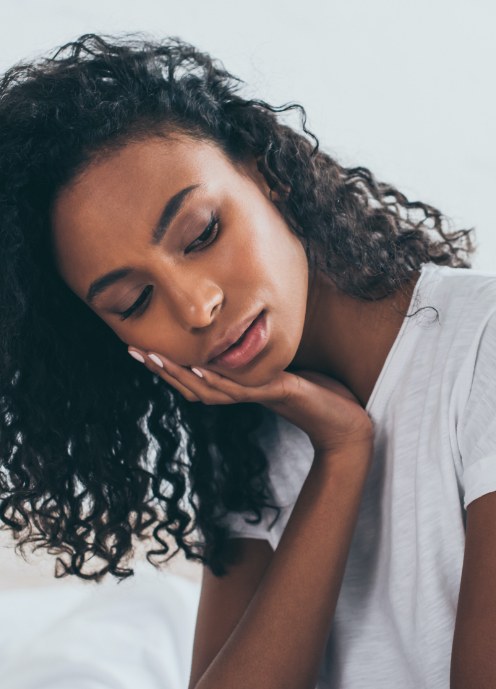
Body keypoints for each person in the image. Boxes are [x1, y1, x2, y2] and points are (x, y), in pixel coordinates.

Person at [0, 31, 494, 689]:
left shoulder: (479, 345)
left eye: (202, 233)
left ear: (267, 173)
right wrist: (341, 453)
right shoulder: (246, 439)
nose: (196, 307)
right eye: (134, 298)